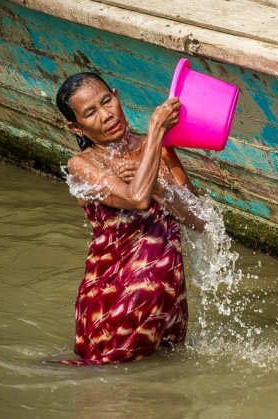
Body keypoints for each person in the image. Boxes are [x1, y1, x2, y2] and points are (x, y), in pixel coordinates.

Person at [55, 72, 205, 364]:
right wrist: (156, 131)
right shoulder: (83, 165)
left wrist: (159, 185)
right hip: (117, 295)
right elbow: (135, 198)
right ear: (76, 126)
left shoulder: (158, 149)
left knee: (164, 389)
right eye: (90, 113)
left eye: (106, 101)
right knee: (105, 383)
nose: (106, 115)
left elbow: (199, 220)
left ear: (116, 94)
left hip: (168, 294)